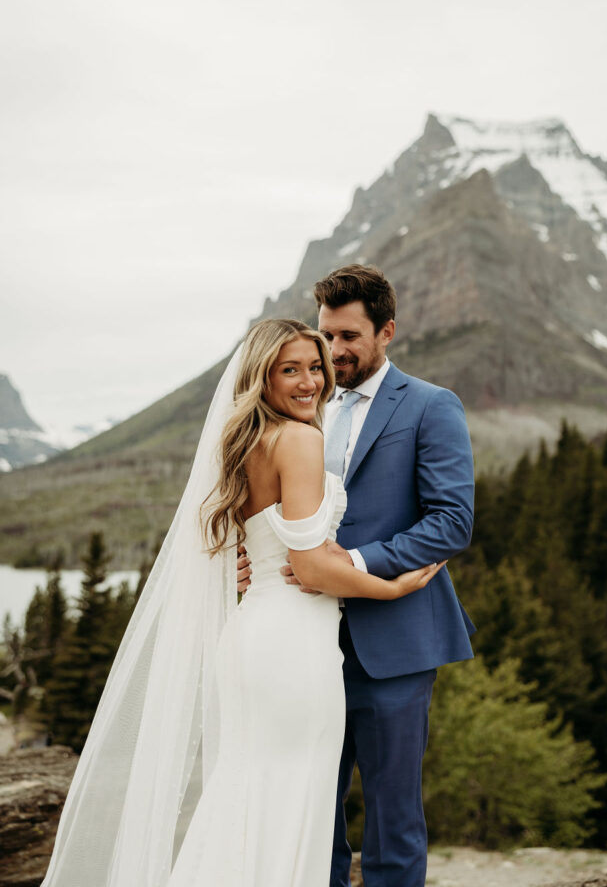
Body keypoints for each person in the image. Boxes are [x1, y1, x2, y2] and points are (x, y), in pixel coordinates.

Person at [41, 317, 443, 887]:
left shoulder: (246, 441)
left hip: (256, 632)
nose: (309, 382)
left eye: (314, 367)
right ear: (263, 378)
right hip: (294, 642)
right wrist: (391, 586)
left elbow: (251, 541)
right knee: (290, 793)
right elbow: (306, 565)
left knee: (249, 791)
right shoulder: (301, 439)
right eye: (290, 370)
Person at [238, 266, 475, 887]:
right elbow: (274, 512)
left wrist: (355, 563)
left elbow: (452, 521)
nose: (332, 352)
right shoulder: (304, 410)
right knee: (311, 811)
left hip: (393, 641)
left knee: (393, 819)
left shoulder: (430, 405)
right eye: (325, 336)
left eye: (347, 336)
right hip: (304, 646)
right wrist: (251, 557)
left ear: (386, 332)